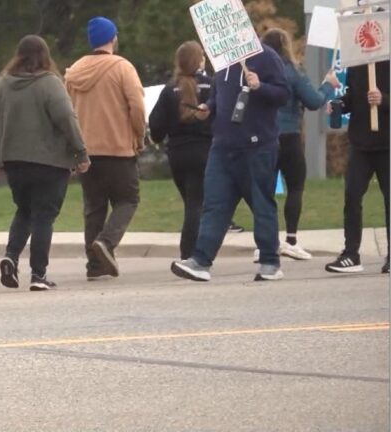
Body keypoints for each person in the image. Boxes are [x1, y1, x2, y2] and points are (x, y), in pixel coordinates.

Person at [171, 38, 290, 282]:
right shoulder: (223, 60)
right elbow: (219, 94)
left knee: (261, 204)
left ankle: (270, 261)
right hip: (223, 145)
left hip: (258, 146)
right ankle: (201, 260)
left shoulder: (266, 57)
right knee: (214, 204)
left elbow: (283, 94)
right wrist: (208, 107)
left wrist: (260, 86)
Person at [0, 35, 89, 290]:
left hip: (15, 162)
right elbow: (66, 118)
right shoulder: (50, 83)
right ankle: (38, 274)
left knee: (25, 210)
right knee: (44, 216)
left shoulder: (3, 84)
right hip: (50, 163)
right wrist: (80, 152)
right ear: (45, 56)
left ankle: (11, 255)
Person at [64, 17, 145, 279]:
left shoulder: (74, 71)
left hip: (87, 151)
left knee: (94, 207)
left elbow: (66, 112)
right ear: (112, 38)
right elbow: (137, 107)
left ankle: (95, 266)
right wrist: (139, 136)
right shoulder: (123, 68)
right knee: (128, 199)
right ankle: (106, 243)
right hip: (119, 148)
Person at [261, 28, 340, 261]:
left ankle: (265, 241)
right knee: (295, 187)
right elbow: (314, 101)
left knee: (265, 192)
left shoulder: (258, 74)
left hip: (265, 138)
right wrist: (328, 84)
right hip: (290, 137)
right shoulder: (293, 73)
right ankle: (291, 240)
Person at [149, 41, 213, 261]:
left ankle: (193, 250)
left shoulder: (169, 90)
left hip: (177, 154)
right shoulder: (211, 86)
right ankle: (190, 254)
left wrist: (159, 137)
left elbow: (155, 127)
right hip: (204, 151)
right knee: (196, 204)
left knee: (191, 203)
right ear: (199, 60)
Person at [324, 60, 389, 274]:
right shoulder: (359, 62)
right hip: (360, 143)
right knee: (352, 197)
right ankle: (351, 254)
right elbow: (353, 97)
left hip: (387, 143)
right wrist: (340, 104)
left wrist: (384, 100)